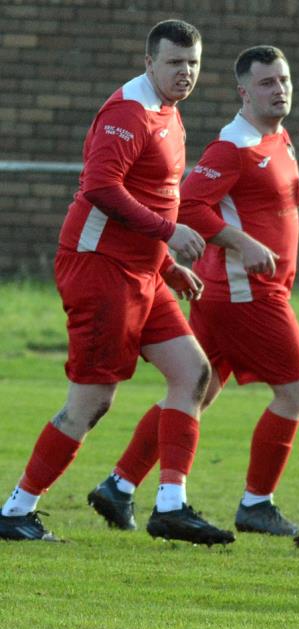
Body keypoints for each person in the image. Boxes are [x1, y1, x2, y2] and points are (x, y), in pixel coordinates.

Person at [0, 20, 235, 546]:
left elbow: (149, 195)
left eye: (193, 63)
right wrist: (169, 234)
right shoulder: (127, 114)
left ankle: (170, 505)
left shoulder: (168, 113)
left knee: (195, 374)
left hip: (141, 272)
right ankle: (17, 509)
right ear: (149, 62)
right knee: (92, 400)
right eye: (175, 63)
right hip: (98, 269)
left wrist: (167, 266)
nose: (186, 73)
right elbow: (101, 188)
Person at [88, 45, 299, 538]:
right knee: (298, 392)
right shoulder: (231, 147)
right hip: (245, 294)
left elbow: (260, 199)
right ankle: (257, 503)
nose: (278, 90)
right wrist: (240, 242)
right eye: (266, 83)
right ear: (243, 91)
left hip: (232, 295)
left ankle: (120, 484)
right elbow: (191, 206)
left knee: (194, 393)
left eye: (283, 80)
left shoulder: (277, 138)